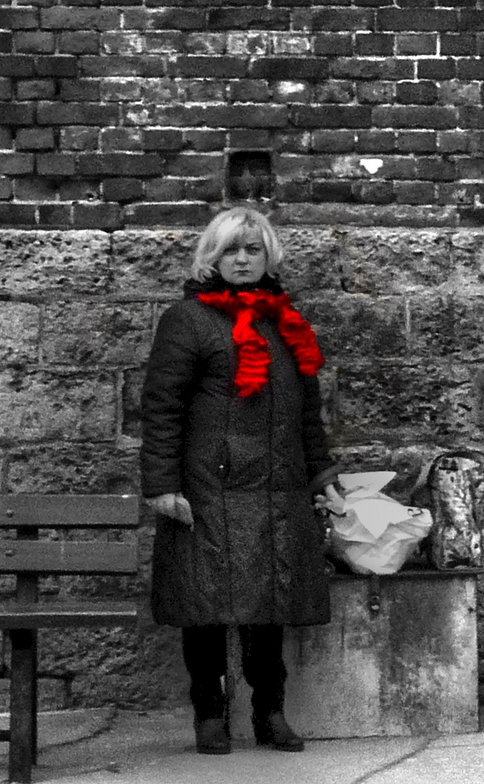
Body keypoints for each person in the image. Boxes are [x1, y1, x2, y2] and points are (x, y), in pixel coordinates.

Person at [140, 206, 340, 755]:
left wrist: (321, 475)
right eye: (231, 250)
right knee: (205, 604)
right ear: (213, 257)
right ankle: (209, 712)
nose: (243, 259)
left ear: (268, 255)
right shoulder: (188, 320)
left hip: (278, 484)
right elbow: (162, 408)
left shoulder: (285, 320)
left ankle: (269, 711)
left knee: (270, 600)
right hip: (209, 487)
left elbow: (306, 410)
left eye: (252, 249)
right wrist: (162, 485)